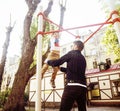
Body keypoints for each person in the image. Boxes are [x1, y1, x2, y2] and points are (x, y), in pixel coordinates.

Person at [47, 40, 87, 111]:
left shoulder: (71, 53)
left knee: (64, 109)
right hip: (83, 87)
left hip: (72, 86)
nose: (72, 47)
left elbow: (57, 62)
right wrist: (61, 69)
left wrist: (48, 62)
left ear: (76, 46)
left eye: (72, 45)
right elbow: (73, 71)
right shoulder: (83, 58)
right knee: (82, 109)